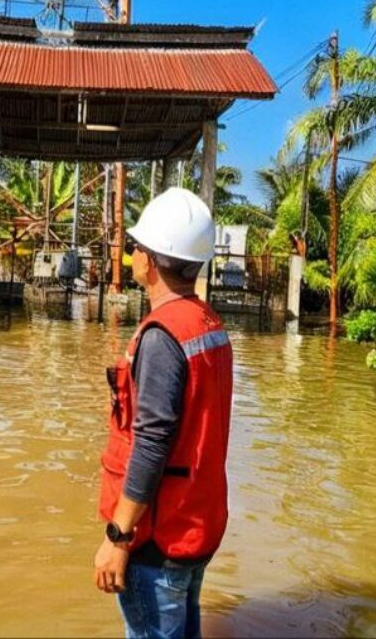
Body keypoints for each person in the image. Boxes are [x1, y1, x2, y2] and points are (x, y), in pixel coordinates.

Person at [93, 187, 233, 639]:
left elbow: (151, 445)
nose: (133, 253)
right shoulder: (208, 323)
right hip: (197, 525)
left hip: (160, 538)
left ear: (150, 261)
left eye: (137, 246)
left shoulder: (162, 337)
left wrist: (118, 537)